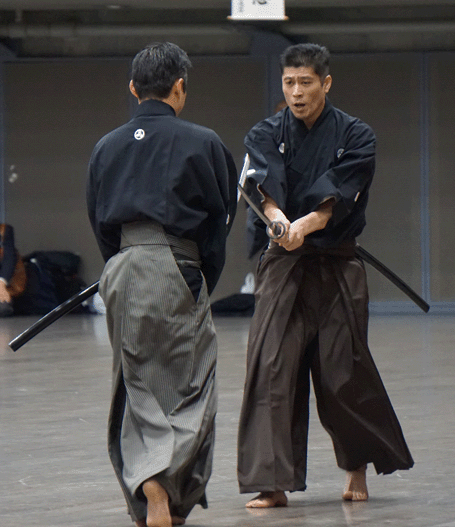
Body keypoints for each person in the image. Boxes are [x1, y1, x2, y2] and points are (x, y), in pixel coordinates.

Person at [237, 43, 414, 509]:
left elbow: (338, 195)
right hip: (283, 263)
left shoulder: (356, 135)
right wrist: (278, 221)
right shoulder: (265, 132)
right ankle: (272, 481)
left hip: (335, 261)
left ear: (326, 83)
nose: (296, 92)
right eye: (289, 83)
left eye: (306, 82)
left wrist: (305, 225)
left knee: (342, 371)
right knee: (270, 366)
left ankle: (356, 468)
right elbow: (260, 188)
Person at [86, 42, 237, 527]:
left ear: (133, 89)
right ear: (180, 87)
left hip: (121, 267)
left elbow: (98, 220)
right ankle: (163, 480)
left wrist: (121, 266)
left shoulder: (106, 146)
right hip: (179, 265)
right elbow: (219, 220)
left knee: (134, 382)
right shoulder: (204, 142)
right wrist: (200, 276)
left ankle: (144, 486)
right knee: (194, 383)